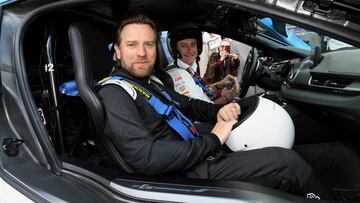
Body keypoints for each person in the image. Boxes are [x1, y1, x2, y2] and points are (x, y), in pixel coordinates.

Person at [98, 13, 332, 200]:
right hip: (184, 174)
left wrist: (216, 111)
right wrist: (214, 139)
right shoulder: (115, 92)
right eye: (132, 45)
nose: (142, 52)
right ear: (117, 51)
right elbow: (147, 158)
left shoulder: (147, 83)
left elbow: (187, 104)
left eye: (148, 44)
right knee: (290, 165)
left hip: (193, 153)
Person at [166, 24, 239, 104]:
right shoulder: (178, 76)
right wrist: (227, 98)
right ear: (175, 49)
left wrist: (220, 83)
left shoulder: (189, 69)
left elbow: (202, 91)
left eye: (193, 45)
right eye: (184, 46)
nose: (190, 50)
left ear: (198, 47)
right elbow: (202, 110)